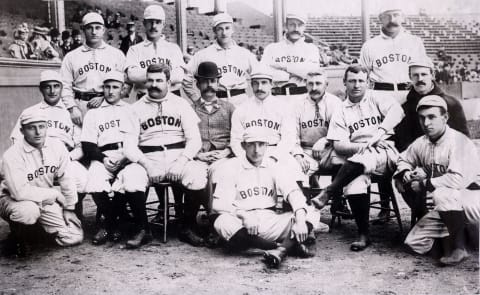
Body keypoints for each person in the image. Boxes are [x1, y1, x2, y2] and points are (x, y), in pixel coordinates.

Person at [310, 65, 404, 251]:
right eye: (352, 81)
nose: (356, 85)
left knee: (363, 160)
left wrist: (379, 134)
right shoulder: (342, 109)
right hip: (359, 156)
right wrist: (367, 145)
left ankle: (329, 190)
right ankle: (363, 233)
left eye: (361, 80)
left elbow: (397, 113)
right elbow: (340, 145)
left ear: (367, 82)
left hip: (386, 153)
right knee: (354, 184)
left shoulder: (377, 98)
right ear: (344, 83)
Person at [117, 64, 207, 248]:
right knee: (131, 177)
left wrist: (182, 162)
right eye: (150, 80)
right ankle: (143, 229)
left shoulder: (181, 104)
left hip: (178, 156)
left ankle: (187, 226)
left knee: (197, 175)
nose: (154, 84)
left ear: (168, 82)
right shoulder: (135, 108)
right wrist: (147, 165)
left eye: (159, 80)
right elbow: (128, 147)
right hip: (148, 158)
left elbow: (195, 140)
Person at [212, 127, 320, 268]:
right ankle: (284, 247)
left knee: (311, 212)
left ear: (267, 146)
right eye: (251, 144)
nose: (257, 150)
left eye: (261, 144)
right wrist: (244, 215)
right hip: (242, 223)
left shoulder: (274, 165)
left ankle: (276, 250)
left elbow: (293, 193)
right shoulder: (230, 166)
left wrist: (299, 220)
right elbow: (219, 204)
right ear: (243, 145)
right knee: (222, 222)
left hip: (270, 220)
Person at [394, 95, 480, 266]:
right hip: (450, 209)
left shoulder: (459, 142)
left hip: (472, 199)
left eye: (432, 117)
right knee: (414, 243)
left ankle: (459, 247)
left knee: (442, 194)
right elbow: (403, 159)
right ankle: (463, 234)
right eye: (422, 118)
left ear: (445, 117)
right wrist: (404, 171)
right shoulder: (422, 142)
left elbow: (457, 181)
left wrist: (424, 183)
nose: (426, 123)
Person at [0, 109, 83, 257]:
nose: (38, 132)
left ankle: (35, 232)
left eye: (42, 126)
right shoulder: (12, 155)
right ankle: (18, 238)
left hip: (44, 200)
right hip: (12, 199)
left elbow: (67, 178)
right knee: (28, 211)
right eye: (31, 128)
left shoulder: (56, 146)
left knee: (73, 236)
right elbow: (19, 193)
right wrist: (54, 193)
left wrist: (69, 208)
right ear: (22, 130)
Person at [9, 70, 88, 213]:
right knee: (23, 185)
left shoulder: (71, 112)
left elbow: (81, 145)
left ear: (62, 88)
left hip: (66, 158)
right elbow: (16, 140)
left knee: (83, 179)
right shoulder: (30, 111)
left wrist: (68, 158)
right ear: (41, 89)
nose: (52, 91)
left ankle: (73, 211)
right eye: (47, 86)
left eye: (56, 86)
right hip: (35, 158)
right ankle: (33, 220)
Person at [80, 71, 133, 245]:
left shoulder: (130, 110)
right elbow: (88, 144)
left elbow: (136, 139)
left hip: (127, 154)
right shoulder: (93, 113)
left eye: (115, 87)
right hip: (103, 155)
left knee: (128, 179)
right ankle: (114, 222)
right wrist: (103, 159)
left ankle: (108, 224)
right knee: (94, 179)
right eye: (107, 87)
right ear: (102, 89)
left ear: (123, 89)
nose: (110, 91)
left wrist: (125, 158)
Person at [230, 66, 303, 183]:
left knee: (293, 171)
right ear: (251, 85)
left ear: (271, 84)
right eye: (255, 83)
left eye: (264, 83)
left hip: (276, 152)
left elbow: (288, 139)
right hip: (249, 154)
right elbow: (235, 140)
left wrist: (274, 157)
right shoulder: (241, 109)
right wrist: (245, 159)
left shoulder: (283, 107)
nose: (259, 87)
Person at [60, 12, 126, 126]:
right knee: (81, 142)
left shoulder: (116, 54)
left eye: (97, 28)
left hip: (108, 105)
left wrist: (104, 97)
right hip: (80, 106)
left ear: (103, 30)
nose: (94, 32)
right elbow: (64, 85)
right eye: (89, 28)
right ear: (83, 30)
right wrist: (72, 108)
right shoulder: (71, 56)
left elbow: (125, 85)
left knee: (108, 141)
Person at [393, 57, 469, 152]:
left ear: (432, 75)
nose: (420, 79)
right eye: (415, 75)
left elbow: (463, 140)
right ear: (410, 77)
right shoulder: (404, 109)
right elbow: (401, 144)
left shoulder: (452, 104)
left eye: (424, 74)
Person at [184, 13, 258, 107]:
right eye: (220, 29)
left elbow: (260, 75)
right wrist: (196, 99)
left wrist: (254, 101)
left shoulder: (244, 53)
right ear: (214, 31)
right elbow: (186, 78)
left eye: (227, 28)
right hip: (216, 100)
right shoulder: (203, 54)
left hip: (240, 100)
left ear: (232, 30)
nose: (224, 33)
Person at [192, 61, 235, 213]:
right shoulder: (189, 109)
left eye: (212, 81)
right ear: (197, 84)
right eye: (204, 81)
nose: (209, 85)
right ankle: (199, 220)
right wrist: (198, 155)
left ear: (218, 83)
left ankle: (217, 216)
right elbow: (184, 138)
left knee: (220, 173)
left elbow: (237, 137)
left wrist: (226, 152)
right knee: (194, 175)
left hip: (223, 156)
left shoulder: (230, 108)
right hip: (199, 157)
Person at [359, 7, 427, 105]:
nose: (392, 20)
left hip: (410, 95)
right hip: (380, 96)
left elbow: (423, 72)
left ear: (403, 17)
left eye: (396, 15)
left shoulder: (415, 42)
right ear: (380, 19)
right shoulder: (369, 45)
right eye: (387, 16)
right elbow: (363, 76)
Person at [125, 5, 185, 99]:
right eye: (150, 22)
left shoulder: (174, 48)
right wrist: (164, 76)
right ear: (144, 23)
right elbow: (132, 75)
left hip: (172, 96)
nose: (154, 26)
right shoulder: (134, 50)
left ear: (163, 24)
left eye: (158, 22)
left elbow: (179, 76)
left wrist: (148, 77)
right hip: (144, 97)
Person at [261, 13, 319, 105]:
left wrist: (284, 67)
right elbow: (264, 74)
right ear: (285, 26)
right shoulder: (271, 48)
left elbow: (312, 74)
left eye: (299, 25)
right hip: (277, 98)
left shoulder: (311, 48)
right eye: (292, 25)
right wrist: (292, 74)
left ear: (304, 27)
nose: (296, 29)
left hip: (302, 98)